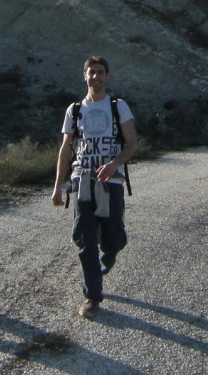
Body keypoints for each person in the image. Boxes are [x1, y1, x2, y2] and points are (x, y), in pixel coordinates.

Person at [51, 55, 138, 319]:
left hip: (111, 181)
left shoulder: (117, 106)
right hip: (82, 181)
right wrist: (57, 187)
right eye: (91, 72)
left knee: (113, 237)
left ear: (107, 76)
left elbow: (132, 143)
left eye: (100, 72)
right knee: (85, 239)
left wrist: (115, 164)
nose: (96, 77)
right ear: (85, 76)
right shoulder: (75, 110)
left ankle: (110, 252)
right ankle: (92, 297)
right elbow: (66, 150)